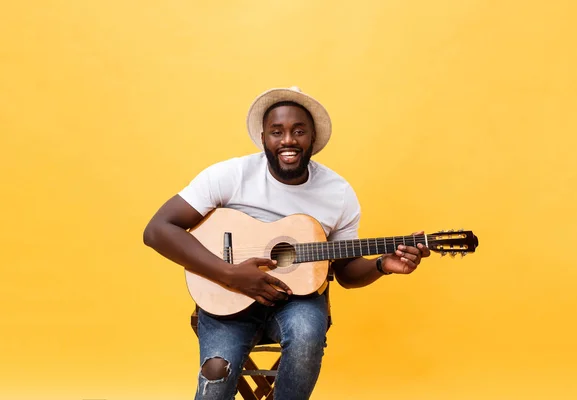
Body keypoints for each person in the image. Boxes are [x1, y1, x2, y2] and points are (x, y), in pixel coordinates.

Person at [143, 86, 431, 399]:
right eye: (276, 132)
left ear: (313, 137)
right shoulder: (230, 175)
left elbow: (346, 273)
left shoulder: (338, 192)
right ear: (263, 136)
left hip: (299, 300)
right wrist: (230, 274)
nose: (288, 140)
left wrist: (380, 265)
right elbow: (157, 230)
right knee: (216, 373)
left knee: (307, 338)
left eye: (298, 131)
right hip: (227, 297)